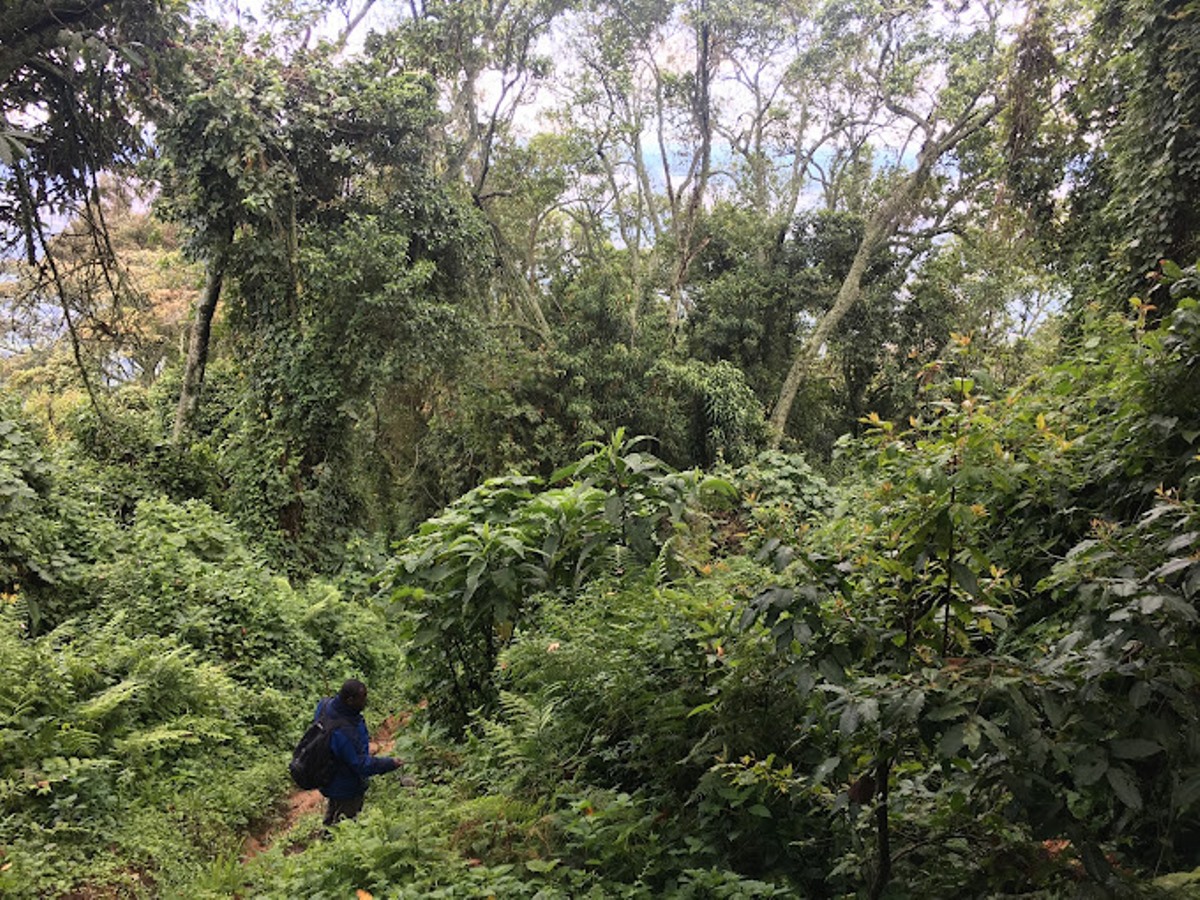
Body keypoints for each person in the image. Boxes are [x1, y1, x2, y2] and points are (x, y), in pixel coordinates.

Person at [315, 678, 403, 828]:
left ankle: (325, 841)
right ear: (350, 700)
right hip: (346, 786)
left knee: (333, 817)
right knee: (344, 827)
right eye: (363, 698)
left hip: (330, 777)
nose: (365, 702)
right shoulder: (344, 732)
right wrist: (390, 763)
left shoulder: (325, 706)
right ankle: (332, 848)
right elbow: (361, 764)